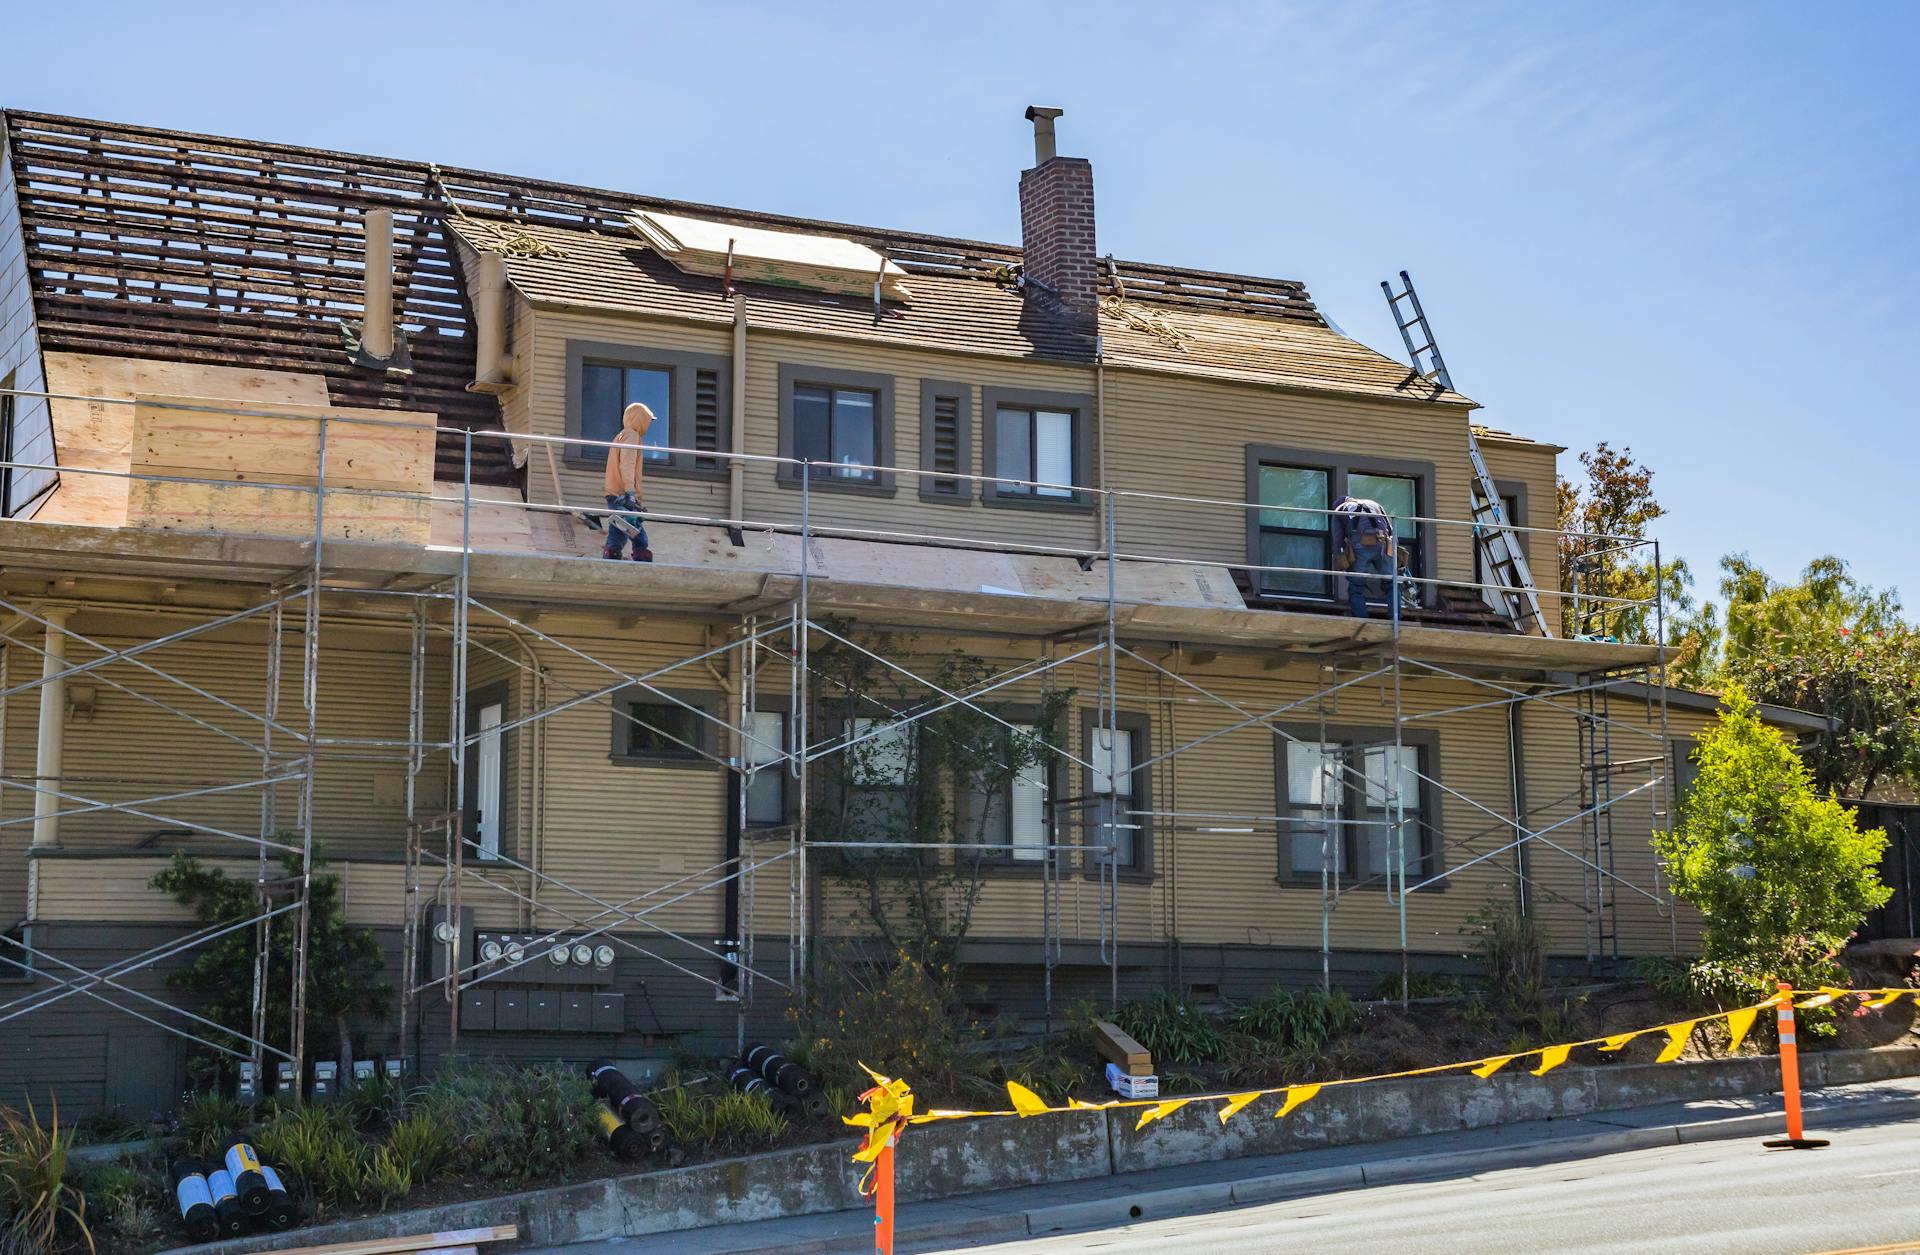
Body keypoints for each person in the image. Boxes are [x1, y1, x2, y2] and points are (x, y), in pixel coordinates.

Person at [602, 402, 655, 562]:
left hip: (615, 493)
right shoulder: (632, 436)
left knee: (618, 531)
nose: (648, 425)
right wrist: (630, 492)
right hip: (623, 495)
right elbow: (627, 463)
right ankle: (641, 556)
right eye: (648, 420)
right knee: (637, 533)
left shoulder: (620, 436)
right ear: (641, 419)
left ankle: (611, 556)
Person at [1330, 494, 1396, 618]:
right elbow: (1391, 530)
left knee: (1356, 585)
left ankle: (1361, 619)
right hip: (1383, 543)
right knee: (1392, 582)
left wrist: (1339, 557)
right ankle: (1395, 617)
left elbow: (1337, 539)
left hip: (1360, 544)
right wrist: (1394, 552)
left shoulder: (1340, 509)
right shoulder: (1374, 504)